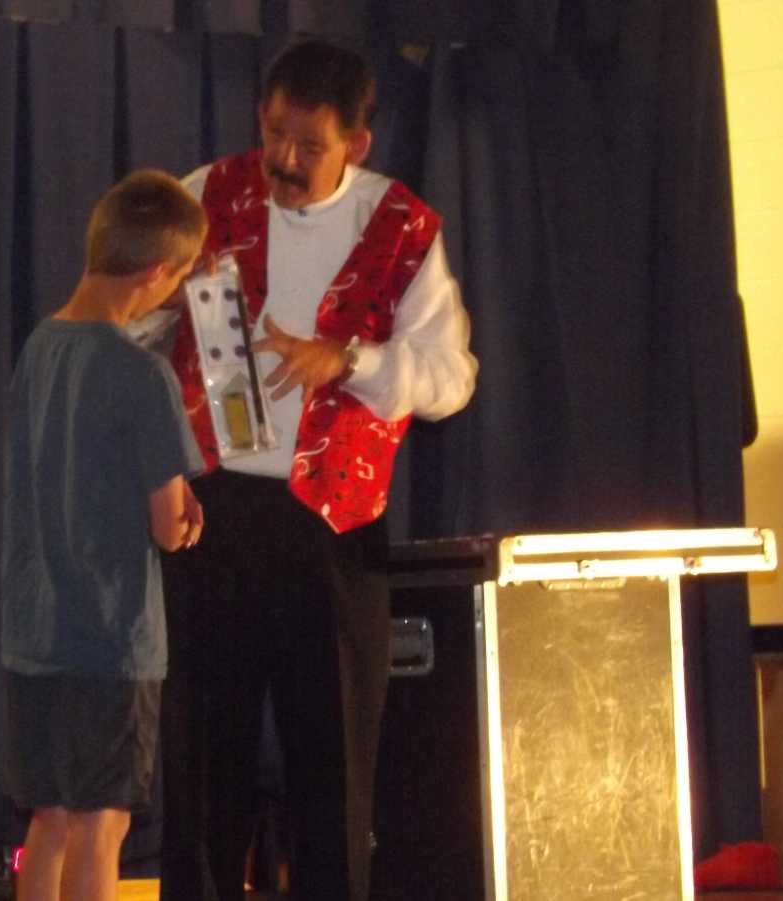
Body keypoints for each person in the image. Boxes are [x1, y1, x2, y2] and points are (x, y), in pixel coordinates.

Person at [158, 39, 478, 901]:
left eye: (309, 144)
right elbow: (133, 325)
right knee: (203, 768)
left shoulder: (403, 226)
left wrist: (349, 359)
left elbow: (451, 378)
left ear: (356, 144)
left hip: (333, 530)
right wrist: (159, 314)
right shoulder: (204, 195)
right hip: (212, 518)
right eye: (274, 134)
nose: (285, 160)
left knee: (332, 771)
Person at [1, 169, 209, 901]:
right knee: (103, 824)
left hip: (34, 634)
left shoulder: (39, 346)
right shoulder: (142, 374)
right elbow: (168, 526)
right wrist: (185, 514)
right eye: (179, 276)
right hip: (111, 638)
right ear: (156, 273)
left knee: (51, 818)